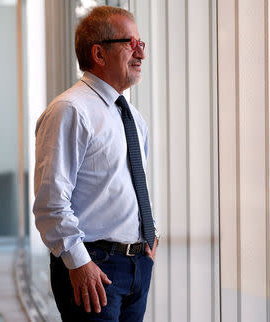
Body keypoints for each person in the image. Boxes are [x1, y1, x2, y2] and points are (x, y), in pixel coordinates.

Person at [33, 6, 159, 321]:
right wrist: (78, 262)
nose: (141, 51)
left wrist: (149, 238)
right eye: (130, 43)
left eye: (141, 42)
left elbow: (128, 185)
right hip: (93, 267)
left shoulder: (132, 117)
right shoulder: (70, 110)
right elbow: (50, 202)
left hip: (135, 266)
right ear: (99, 54)